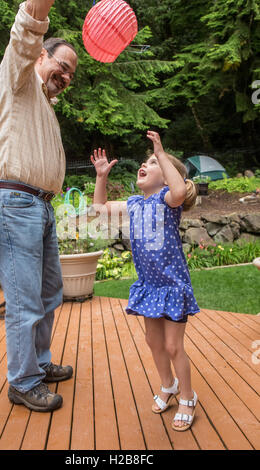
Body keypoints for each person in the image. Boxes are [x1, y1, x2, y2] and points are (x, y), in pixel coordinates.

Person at [0, 0, 78, 412]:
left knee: (49, 292)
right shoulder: (18, 75)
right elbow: (24, 33)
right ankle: (22, 382)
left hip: (37, 205)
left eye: (73, 72)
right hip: (17, 204)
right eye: (63, 64)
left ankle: (37, 364)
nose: (68, 75)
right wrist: (38, 9)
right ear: (41, 55)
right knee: (25, 300)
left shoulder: (41, 103)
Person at [91, 130, 200, 431]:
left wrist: (161, 153)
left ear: (166, 176)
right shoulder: (135, 205)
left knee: (173, 346)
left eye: (153, 163)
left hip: (172, 286)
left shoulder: (168, 201)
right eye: (146, 161)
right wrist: (101, 177)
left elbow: (179, 191)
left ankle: (189, 398)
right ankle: (169, 385)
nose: (146, 164)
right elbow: (100, 209)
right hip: (150, 287)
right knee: (153, 342)